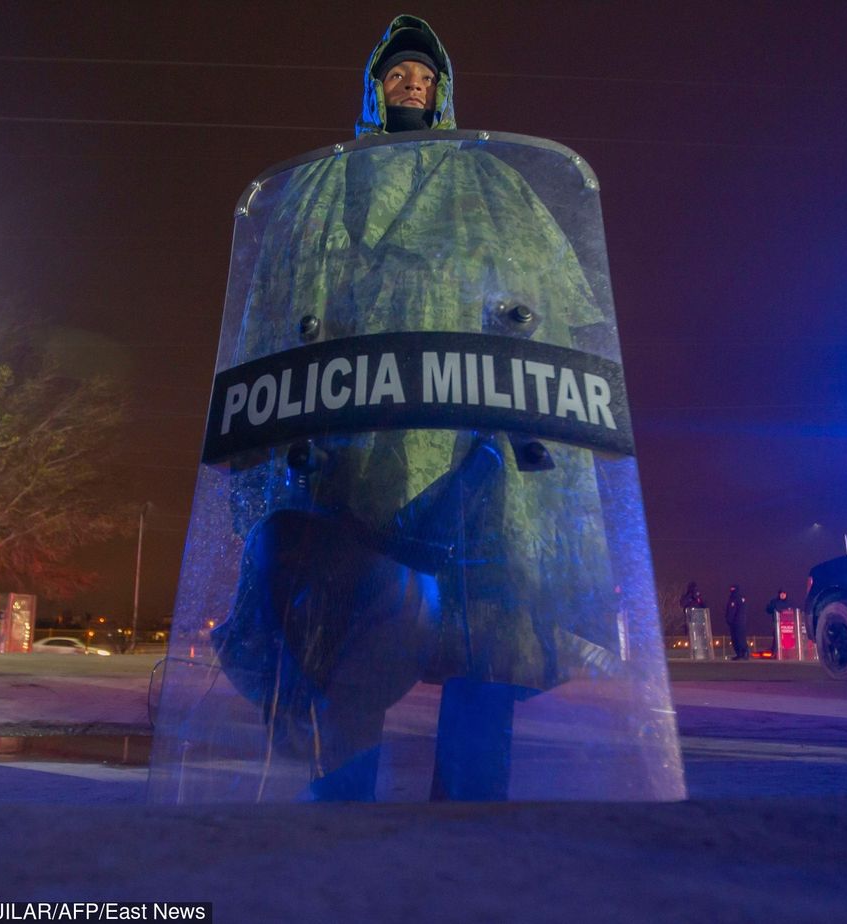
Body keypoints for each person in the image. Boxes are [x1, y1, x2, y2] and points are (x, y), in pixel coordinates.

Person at [212, 15, 622, 801]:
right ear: (374, 87)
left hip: (469, 443)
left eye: (423, 75)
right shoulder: (324, 187)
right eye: (396, 74)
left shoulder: (491, 183)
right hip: (350, 441)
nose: (410, 83)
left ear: (443, 89)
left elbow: (541, 305)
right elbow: (275, 304)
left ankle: (469, 811)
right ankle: (341, 806)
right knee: (346, 621)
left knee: (486, 627)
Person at [765, 589, 793, 654]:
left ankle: (787, 652)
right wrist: (774, 608)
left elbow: (793, 610)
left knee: (787, 638)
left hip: (788, 624)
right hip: (777, 622)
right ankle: (775, 651)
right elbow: (768, 610)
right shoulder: (774, 602)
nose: (783, 595)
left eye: (784, 594)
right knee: (777, 636)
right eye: (781, 594)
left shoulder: (789, 603)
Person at [725, 585, 748, 660]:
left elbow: (732, 610)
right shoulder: (742, 598)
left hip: (735, 622)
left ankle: (741, 653)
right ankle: (744, 653)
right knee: (741, 637)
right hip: (742, 621)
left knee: (736, 638)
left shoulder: (734, 598)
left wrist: (729, 619)